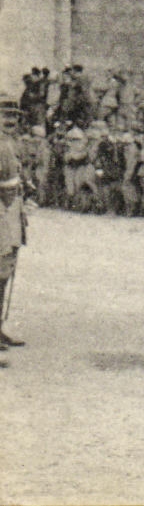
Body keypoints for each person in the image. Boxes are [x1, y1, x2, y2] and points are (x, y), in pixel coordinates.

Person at [0, 131, 28, 362]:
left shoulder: (9, 142)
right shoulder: (3, 145)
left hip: (9, 215)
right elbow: (8, 187)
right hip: (3, 212)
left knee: (4, 273)